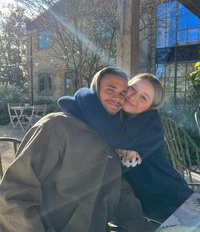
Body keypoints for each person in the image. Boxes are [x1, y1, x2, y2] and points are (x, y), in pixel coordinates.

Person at [0, 67, 154, 232]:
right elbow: (13, 195)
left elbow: (119, 191)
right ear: (94, 92)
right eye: (110, 89)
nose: (117, 97)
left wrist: (142, 226)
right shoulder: (56, 126)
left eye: (123, 93)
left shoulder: (114, 138)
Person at [58, 72, 193, 223]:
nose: (134, 97)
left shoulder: (150, 124)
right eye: (132, 89)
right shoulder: (115, 116)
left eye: (144, 97)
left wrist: (85, 93)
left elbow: (115, 136)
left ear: (151, 107)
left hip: (175, 199)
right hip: (146, 209)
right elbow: (66, 103)